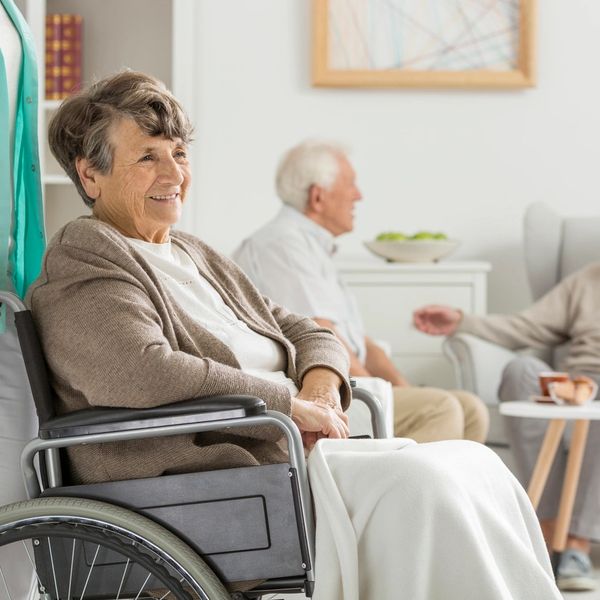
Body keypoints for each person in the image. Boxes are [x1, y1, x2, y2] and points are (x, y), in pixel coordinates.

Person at [25, 71, 561, 599]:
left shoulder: (193, 252)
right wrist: (288, 405)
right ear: (90, 175)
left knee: (475, 464)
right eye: (148, 156)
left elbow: (308, 330)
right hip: (213, 475)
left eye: (180, 154)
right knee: (424, 485)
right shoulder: (84, 255)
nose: (174, 173)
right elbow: (140, 373)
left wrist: (321, 393)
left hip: (287, 450)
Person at [233, 140, 489, 444]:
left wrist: (401, 390)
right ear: (318, 197)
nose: (359, 195)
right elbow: (322, 335)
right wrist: (376, 395)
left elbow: (361, 345)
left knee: (471, 409)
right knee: (440, 408)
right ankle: (405, 491)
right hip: (319, 397)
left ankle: (452, 493)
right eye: (351, 184)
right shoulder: (281, 246)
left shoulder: (310, 247)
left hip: (349, 383)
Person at [413, 277, 600, 592]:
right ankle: (549, 527)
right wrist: (463, 321)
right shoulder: (588, 280)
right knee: (521, 370)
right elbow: (527, 325)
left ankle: (576, 543)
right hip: (577, 379)